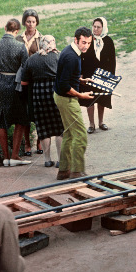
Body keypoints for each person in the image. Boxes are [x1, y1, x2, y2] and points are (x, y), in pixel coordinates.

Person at [0, 19, 31, 167]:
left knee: (0, 121)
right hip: (14, 86)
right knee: (20, 119)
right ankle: (15, 155)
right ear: (17, 31)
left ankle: (5, 157)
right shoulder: (20, 46)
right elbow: (26, 68)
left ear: (5, 28)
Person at [54, 26, 94, 180]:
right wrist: (81, 95)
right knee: (80, 135)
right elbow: (65, 85)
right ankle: (77, 172)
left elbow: (67, 76)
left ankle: (64, 171)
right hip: (67, 99)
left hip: (60, 97)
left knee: (69, 134)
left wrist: (81, 79)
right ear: (76, 39)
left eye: (89, 43)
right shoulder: (71, 57)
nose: (86, 46)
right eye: (83, 42)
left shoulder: (70, 51)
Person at [20, 35, 64, 168]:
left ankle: (47, 159)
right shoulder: (59, 57)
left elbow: (24, 82)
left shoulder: (32, 59)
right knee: (60, 128)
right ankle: (61, 160)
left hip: (38, 95)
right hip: (56, 93)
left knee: (43, 128)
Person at [82, 16, 116, 132]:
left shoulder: (108, 41)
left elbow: (112, 61)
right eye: (94, 26)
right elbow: (82, 57)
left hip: (103, 75)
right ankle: (91, 124)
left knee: (101, 98)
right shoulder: (87, 40)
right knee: (90, 99)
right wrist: (82, 74)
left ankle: (101, 122)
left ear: (103, 28)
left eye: (98, 27)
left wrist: (111, 77)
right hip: (89, 74)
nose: (95, 29)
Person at [16, 8, 42, 156]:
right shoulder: (19, 39)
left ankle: (39, 141)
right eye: (28, 21)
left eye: (33, 21)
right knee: (25, 112)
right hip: (22, 80)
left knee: (37, 112)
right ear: (24, 22)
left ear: (36, 22)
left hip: (36, 79)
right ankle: (27, 143)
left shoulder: (41, 38)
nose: (31, 24)